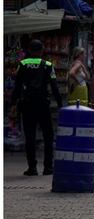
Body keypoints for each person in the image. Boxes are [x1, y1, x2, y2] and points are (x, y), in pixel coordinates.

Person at [9, 39, 63, 176]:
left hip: (27, 104)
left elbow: (17, 86)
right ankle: (48, 167)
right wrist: (60, 104)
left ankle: (32, 168)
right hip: (43, 104)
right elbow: (54, 87)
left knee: (30, 136)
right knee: (48, 135)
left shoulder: (23, 64)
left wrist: (13, 104)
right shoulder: (48, 65)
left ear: (29, 50)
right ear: (41, 50)